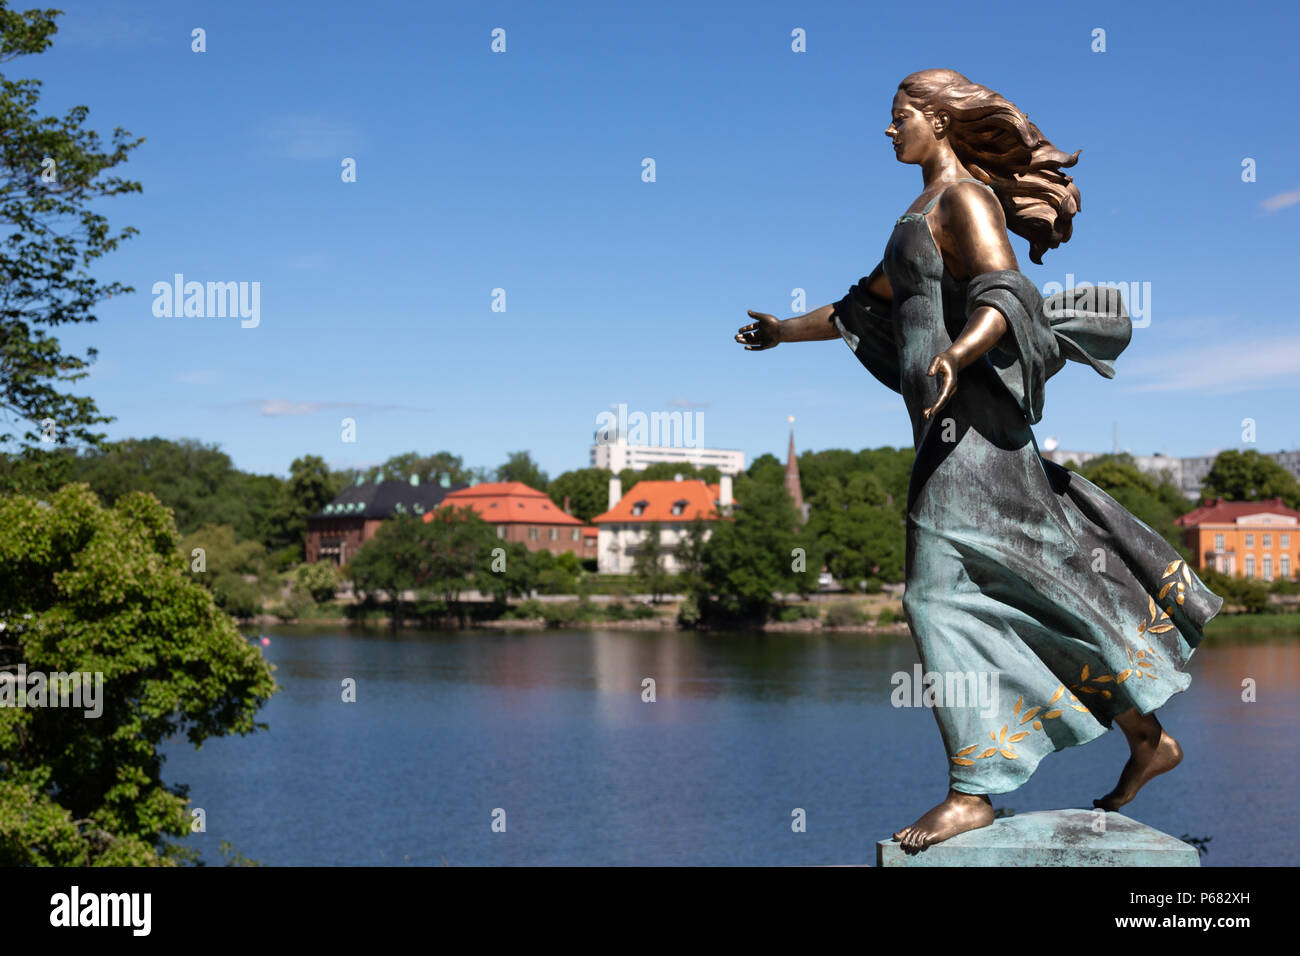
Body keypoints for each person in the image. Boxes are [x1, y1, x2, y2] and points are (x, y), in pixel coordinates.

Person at [735, 69, 1222, 851]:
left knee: (933, 595)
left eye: (899, 118)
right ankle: (1144, 735)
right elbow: (860, 309)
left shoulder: (965, 201)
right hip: (946, 432)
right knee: (1033, 585)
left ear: (939, 121)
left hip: (975, 428)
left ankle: (973, 793)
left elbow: (1009, 293)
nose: (889, 132)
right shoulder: (915, 216)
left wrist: (957, 357)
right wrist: (780, 331)